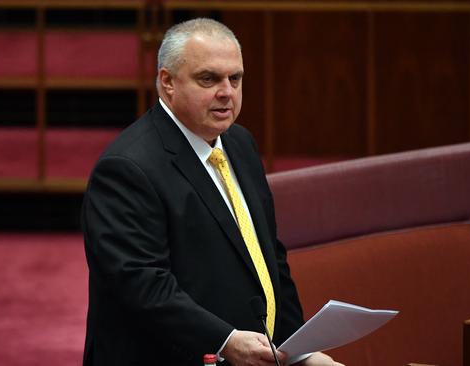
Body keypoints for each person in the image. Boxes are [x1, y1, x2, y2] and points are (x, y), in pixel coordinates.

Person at [81, 18, 344, 366]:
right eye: (209, 79)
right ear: (167, 82)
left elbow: (268, 259)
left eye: (235, 79)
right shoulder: (127, 169)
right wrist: (225, 341)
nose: (227, 92)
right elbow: (141, 286)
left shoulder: (240, 143)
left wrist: (298, 351)